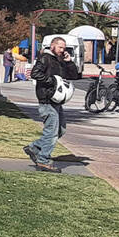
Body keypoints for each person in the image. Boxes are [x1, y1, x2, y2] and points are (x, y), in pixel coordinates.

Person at [24, 36, 82, 173]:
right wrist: (52, 82)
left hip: (56, 101)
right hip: (47, 100)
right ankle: (43, 160)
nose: (62, 50)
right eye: (60, 47)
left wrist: (69, 62)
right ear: (52, 46)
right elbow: (35, 73)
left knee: (61, 130)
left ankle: (34, 147)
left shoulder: (60, 60)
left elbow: (74, 76)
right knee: (52, 132)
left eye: (64, 48)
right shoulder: (45, 58)